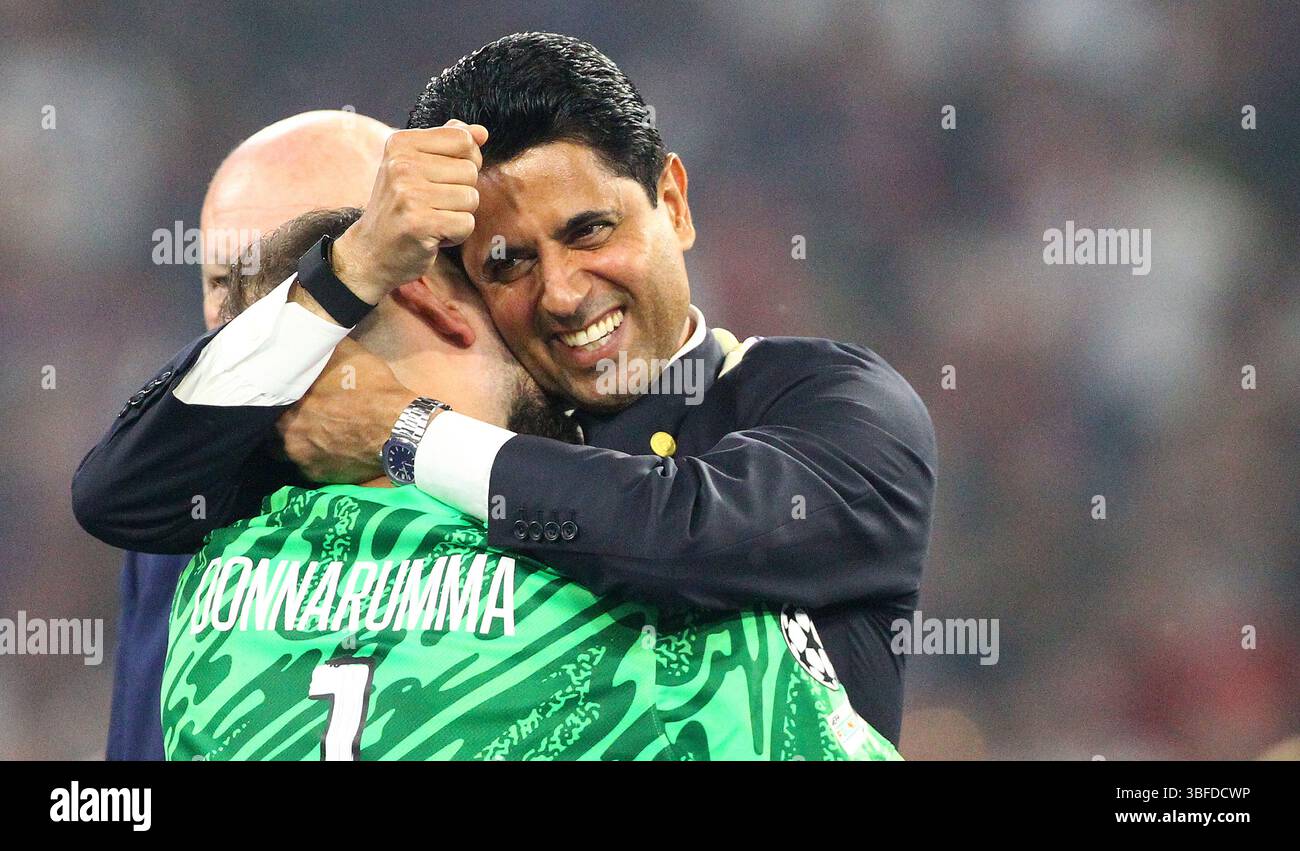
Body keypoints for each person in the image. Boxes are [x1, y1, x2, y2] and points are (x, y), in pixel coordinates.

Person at [74, 33, 936, 747]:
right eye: (507, 263)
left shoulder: (829, 403)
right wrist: (352, 268)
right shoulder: (414, 443)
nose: (561, 293)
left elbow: (680, 535)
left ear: (671, 201)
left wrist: (406, 430)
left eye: (589, 230)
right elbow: (124, 493)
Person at [164, 207, 899, 760]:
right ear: (433, 302)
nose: (548, 313)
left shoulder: (206, 598)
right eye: (497, 282)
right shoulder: (654, 634)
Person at [99, 110, 392, 759]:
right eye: (220, 283)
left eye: (292, 279)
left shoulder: (505, 485)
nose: (247, 320)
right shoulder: (176, 503)